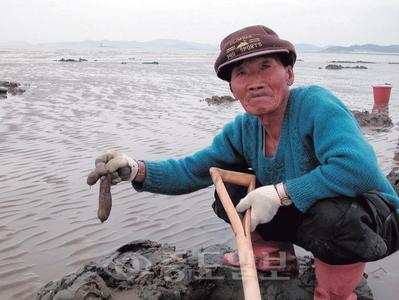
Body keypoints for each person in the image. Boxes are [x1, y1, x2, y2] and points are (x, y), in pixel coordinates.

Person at [87, 25, 399, 299]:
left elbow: (358, 170)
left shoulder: (316, 105)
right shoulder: (243, 130)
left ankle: (334, 294)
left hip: (376, 220)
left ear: (288, 74)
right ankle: (274, 255)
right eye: (242, 74)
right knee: (229, 184)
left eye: (266, 67)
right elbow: (192, 170)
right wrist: (135, 169)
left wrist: (278, 193)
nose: (255, 82)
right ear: (233, 89)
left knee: (330, 215)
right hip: (313, 213)